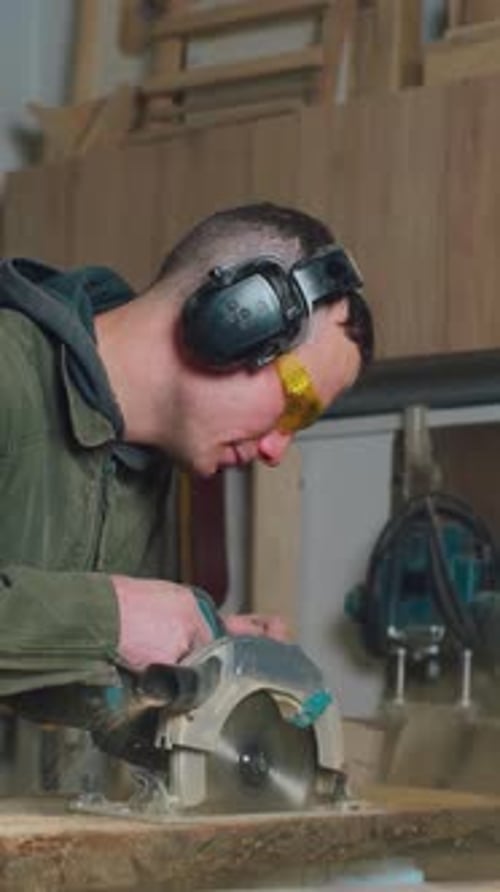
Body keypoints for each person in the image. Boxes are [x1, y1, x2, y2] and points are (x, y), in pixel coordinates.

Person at [0, 202, 373, 697]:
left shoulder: (142, 470)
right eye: (295, 407)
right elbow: (95, 622)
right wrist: (115, 619)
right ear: (233, 320)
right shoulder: (9, 373)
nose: (276, 450)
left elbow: (49, 676)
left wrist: (197, 653)